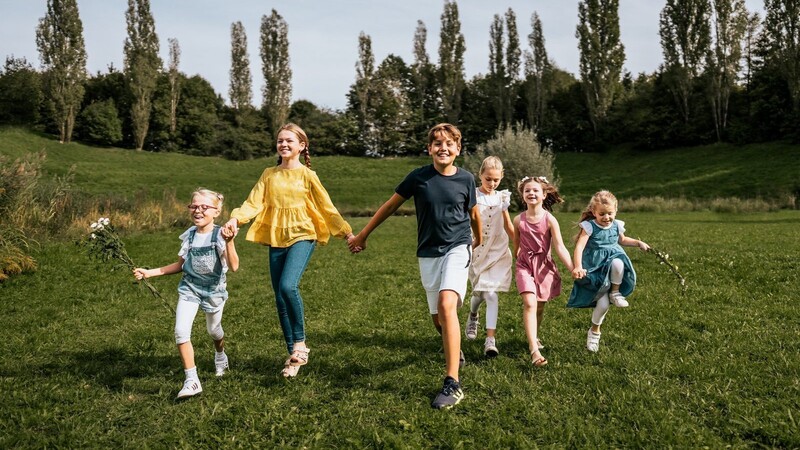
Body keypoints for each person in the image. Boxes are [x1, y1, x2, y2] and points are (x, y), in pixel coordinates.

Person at [348, 123, 482, 410]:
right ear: (429, 149)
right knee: (439, 320)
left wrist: (477, 240)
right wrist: (363, 234)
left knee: (448, 306)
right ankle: (453, 348)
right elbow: (389, 206)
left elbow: (473, 212)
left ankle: (452, 383)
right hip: (428, 253)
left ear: (458, 149)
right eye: (437, 143)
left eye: (449, 143)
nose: (443, 148)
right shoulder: (419, 177)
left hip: (458, 247)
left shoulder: (467, 179)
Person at [223, 123, 354, 378]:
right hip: (276, 235)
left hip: (303, 234)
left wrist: (347, 232)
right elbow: (253, 203)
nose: (283, 144)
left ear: (301, 146)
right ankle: (293, 357)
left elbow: (327, 207)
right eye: (280, 141)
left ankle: (301, 345)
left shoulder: (308, 175)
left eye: (289, 141)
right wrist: (235, 220)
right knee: (280, 298)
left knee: (287, 286)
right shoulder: (269, 174)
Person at [134, 188, 239, 399]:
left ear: (216, 211)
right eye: (194, 206)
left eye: (204, 207)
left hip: (213, 291)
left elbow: (234, 266)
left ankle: (220, 355)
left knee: (214, 331)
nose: (198, 211)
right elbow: (180, 265)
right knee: (181, 331)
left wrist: (229, 242)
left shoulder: (220, 235)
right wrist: (149, 273)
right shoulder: (189, 235)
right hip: (189, 288)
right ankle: (192, 380)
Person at [568, 190, 650, 353]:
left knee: (618, 262)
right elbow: (579, 247)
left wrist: (639, 243)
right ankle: (594, 331)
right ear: (594, 212)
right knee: (603, 304)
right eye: (602, 214)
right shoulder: (589, 227)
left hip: (612, 264)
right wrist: (578, 266)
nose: (606, 218)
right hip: (595, 268)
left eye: (610, 213)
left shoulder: (616, 225)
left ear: (616, 211)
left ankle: (615, 292)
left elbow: (623, 240)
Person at [513, 176, 573, 367]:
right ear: (523, 196)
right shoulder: (518, 220)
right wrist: (521, 263)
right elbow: (516, 247)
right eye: (527, 190)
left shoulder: (549, 220)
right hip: (524, 266)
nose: (531, 193)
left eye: (535, 190)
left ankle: (535, 336)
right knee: (529, 303)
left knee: (539, 306)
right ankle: (534, 350)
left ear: (544, 194)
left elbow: (560, 247)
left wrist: (573, 268)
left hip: (544, 267)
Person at [464, 156, 514, 358]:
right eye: (488, 179)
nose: (492, 183)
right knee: (478, 293)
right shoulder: (472, 195)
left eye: (496, 180)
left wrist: (519, 246)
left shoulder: (502, 197)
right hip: (477, 249)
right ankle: (473, 315)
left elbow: (508, 224)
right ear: (480, 176)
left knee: (491, 294)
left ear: (501, 177)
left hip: (498, 250)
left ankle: (490, 340)